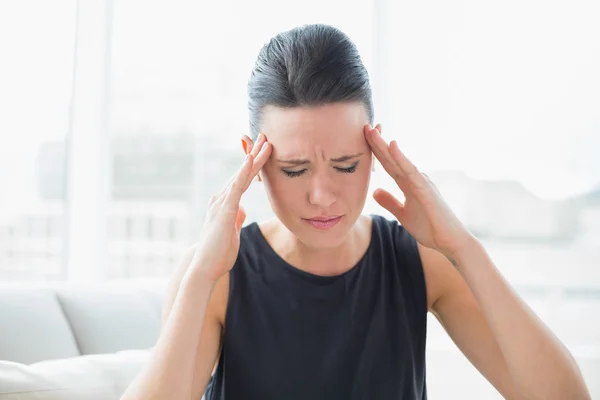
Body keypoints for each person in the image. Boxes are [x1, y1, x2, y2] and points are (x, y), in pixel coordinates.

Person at [120, 24, 590, 400]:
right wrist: (201, 274)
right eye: (295, 169)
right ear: (254, 160)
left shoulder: (420, 259)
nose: (322, 195)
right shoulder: (215, 274)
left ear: (375, 148)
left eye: (346, 165)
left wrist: (461, 248)